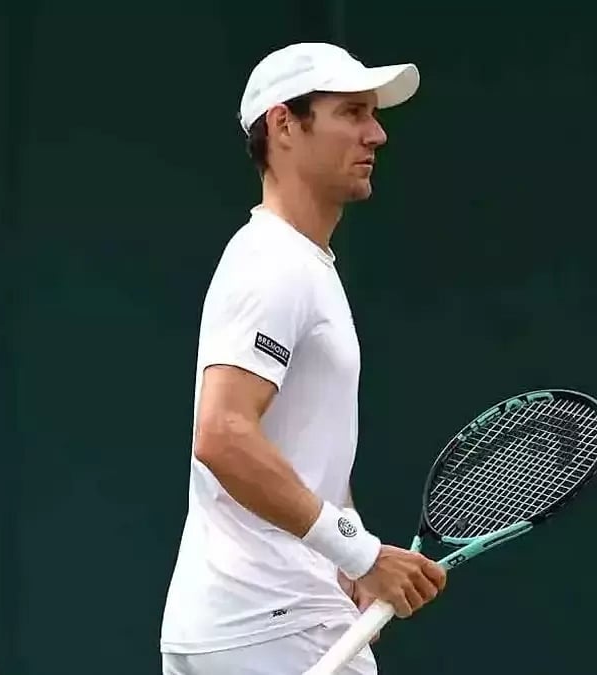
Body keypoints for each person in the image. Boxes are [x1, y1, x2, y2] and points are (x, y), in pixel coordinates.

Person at [159, 42, 448, 674]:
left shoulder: (299, 264)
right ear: (284, 125)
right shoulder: (275, 264)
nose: (376, 134)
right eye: (352, 113)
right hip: (274, 625)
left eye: (373, 115)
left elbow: (301, 453)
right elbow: (223, 434)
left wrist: (352, 564)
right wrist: (361, 553)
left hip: (250, 620)